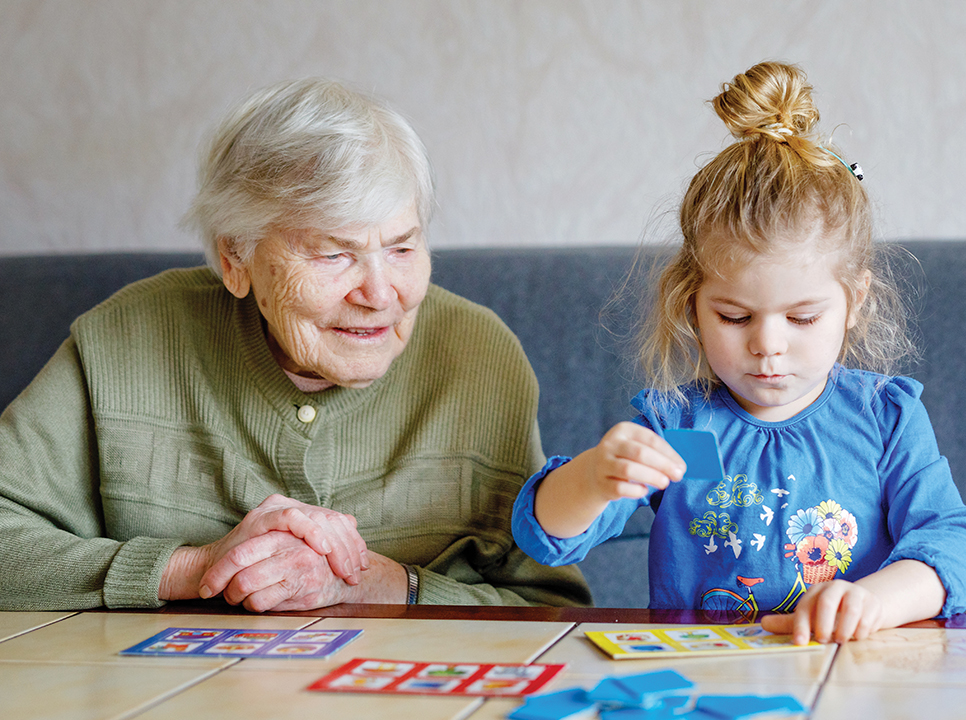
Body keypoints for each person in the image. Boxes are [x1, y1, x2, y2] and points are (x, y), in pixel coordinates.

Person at [0, 78, 590, 612]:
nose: (380, 294)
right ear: (236, 257)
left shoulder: (479, 358)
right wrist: (194, 568)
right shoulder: (125, 340)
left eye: (403, 248)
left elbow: (550, 611)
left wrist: (383, 585)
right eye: (334, 254)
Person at [512, 61, 966, 644]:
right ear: (691, 304)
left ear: (854, 300)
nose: (767, 344)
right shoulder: (680, 427)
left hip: (851, 675)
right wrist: (592, 478)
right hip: (702, 676)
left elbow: (952, 544)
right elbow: (544, 538)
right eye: (734, 317)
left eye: (803, 317)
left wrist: (873, 601)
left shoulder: (885, 419)